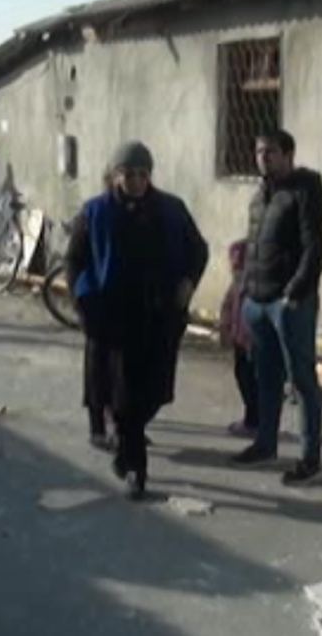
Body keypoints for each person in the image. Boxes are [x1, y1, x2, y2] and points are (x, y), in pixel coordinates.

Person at [65, 141, 208, 499]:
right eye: (129, 174)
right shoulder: (96, 212)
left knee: (155, 392)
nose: (136, 181)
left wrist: (188, 283)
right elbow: (75, 261)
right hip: (115, 317)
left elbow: (198, 249)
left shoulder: (171, 210)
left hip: (160, 316)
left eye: (143, 174)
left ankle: (126, 440)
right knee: (125, 394)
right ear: (115, 175)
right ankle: (134, 466)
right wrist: (85, 301)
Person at [232, 128, 322, 485]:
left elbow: (315, 249)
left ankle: (310, 458)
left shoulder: (305, 192)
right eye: (259, 152)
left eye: (271, 152)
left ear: (288, 155)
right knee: (266, 377)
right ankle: (265, 443)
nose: (263, 158)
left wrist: (294, 293)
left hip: (289, 304)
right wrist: (244, 291)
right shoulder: (261, 197)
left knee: (302, 382)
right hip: (257, 301)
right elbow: (253, 246)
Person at [219, 240, 259, 439]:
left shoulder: (254, 285)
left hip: (251, 340)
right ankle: (254, 419)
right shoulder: (236, 285)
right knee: (244, 377)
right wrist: (225, 332)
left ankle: (255, 421)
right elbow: (227, 309)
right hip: (240, 339)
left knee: (251, 380)